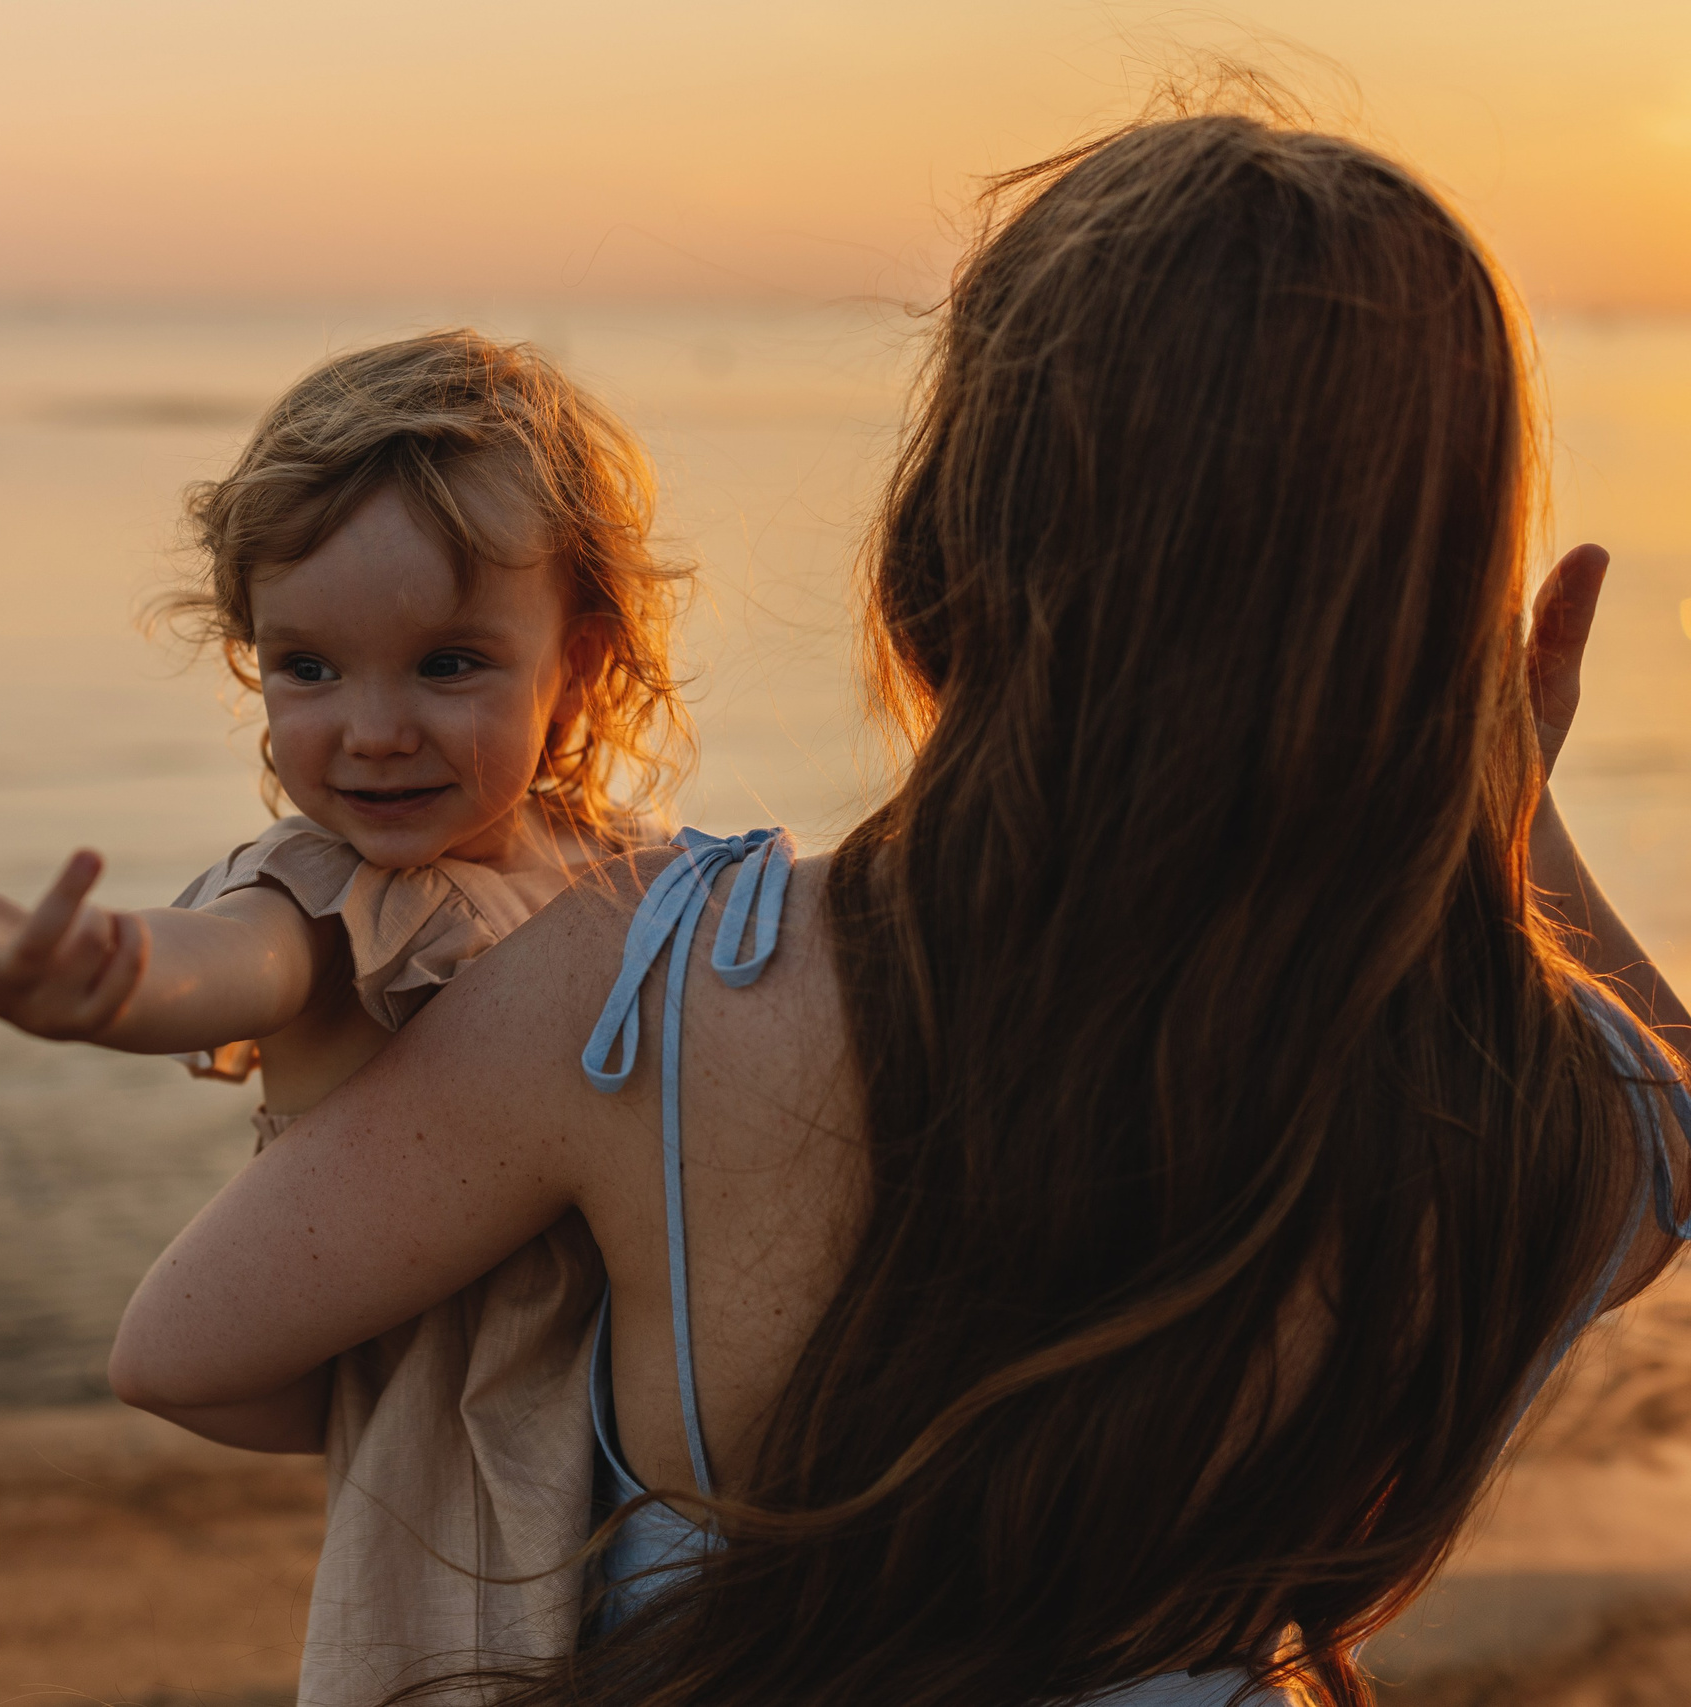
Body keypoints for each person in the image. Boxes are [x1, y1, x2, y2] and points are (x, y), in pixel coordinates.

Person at [102, 116, 1691, 1707]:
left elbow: (186, 1351)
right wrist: (1503, 805)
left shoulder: (639, 994)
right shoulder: (1547, 1127)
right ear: (1457, 600)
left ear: (948, 535)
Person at [0, 331, 692, 1694]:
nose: (371, 729)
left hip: (640, 1459)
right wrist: (107, 975)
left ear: (580, 663)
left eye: (449, 664)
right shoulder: (331, 889)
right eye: (309, 668)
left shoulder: (608, 872)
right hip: (467, 1511)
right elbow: (237, 961)